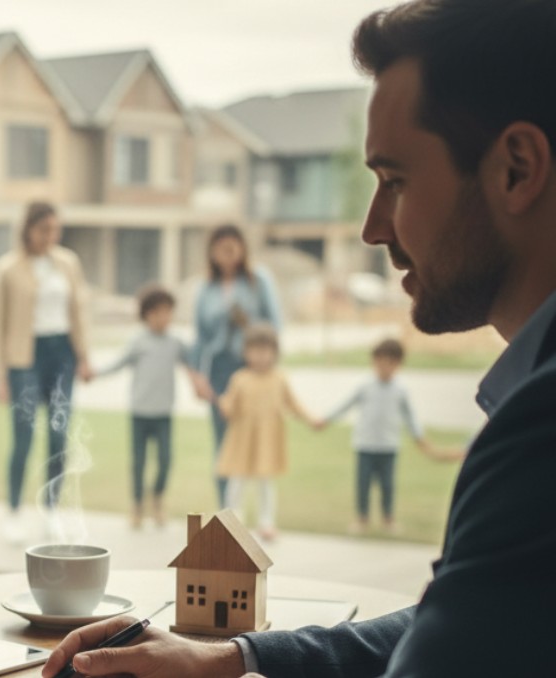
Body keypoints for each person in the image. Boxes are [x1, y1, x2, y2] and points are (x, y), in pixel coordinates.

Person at [43, 0, 556, 675]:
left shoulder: (538, 431)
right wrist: (231, 656)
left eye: (394, 181)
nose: (374, 228)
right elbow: (461, 619)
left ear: (517, 169)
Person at [0, 201, 91, 542]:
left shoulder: (68, 263)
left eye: (55, 229)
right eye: (44, 229)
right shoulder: (8, 269)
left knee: (59, 434)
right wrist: (0, 377)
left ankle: (51, 510)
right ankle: (14, 512)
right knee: (23, 434)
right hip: (24, 358)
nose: (50, 236)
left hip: (62, 354)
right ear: (28, 229)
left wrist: (84, 356)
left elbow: (78, 312)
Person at [317, 338, 459, 534]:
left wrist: (419, 437)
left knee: (388, 486)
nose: (384, 368)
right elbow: (346, 405)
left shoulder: (400, 389)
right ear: (373, 362)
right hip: (365, 445)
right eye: (379, 363)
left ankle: (388, 519)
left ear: (398, 364)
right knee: (363, 484)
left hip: (389, 446)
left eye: (389, 364)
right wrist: (326, 419)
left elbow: (410, 417)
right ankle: (362, 519)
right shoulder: (365, 385)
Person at [92, 285, 201, 529]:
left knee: (165, 460)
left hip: (163, 414)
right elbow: (118, 363)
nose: (163, 318)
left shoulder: (175, 343)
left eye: (167, 312)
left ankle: (158, 498)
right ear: (146, 315)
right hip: (139, 414)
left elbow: (192, 366)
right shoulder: (138, 342)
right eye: (157, 313)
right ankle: (137, 506)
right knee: (138, 463)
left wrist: (199, 384)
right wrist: (95, 374)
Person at [190, 225, 282, 508]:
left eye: (233, 248)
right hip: (219, 368)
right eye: (221, 249)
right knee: (224, 443)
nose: (228, 255)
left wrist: (268, 362)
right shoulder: (206, 289)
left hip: (252, 367)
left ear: (243, 249)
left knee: (257, 439)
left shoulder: (258, 281)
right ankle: (226, 513)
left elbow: (274, 325)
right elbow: (200, 338)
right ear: (212, 253)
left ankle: (262, 511)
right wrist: (197, 376)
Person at [215, 324, 317, 540]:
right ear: (246, 352)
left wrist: (310, 419)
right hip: (243, 441)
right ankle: (231, 521)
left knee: (265, 483)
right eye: (255, 350)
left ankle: (266, 522)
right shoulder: (240, 378)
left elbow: (293, 403)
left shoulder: (279, 378)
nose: (261, 356)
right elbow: (229, 406)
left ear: (274, 352)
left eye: (265, 350)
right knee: (236, 481)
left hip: (267, 441)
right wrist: (223, 404)